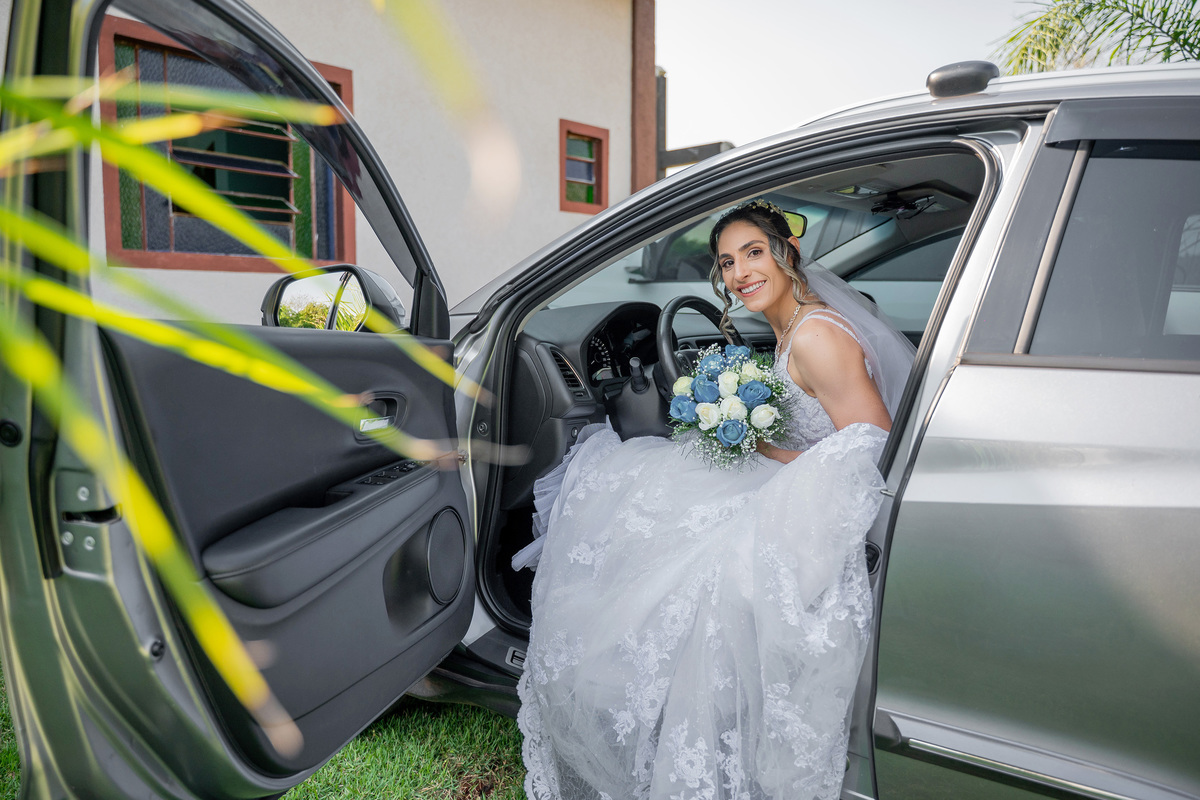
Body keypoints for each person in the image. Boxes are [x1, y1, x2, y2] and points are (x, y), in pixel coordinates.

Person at [515, 199, 917, 800]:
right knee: (640, 490)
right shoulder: (793, 326)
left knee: (633, 504)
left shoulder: (818, 337)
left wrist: (765, 449)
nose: (739, 273)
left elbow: (871, 453)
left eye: (753, 253)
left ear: (788, 252)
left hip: (807, 508)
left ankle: (615, 684)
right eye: (728, 263)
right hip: (787, 478)